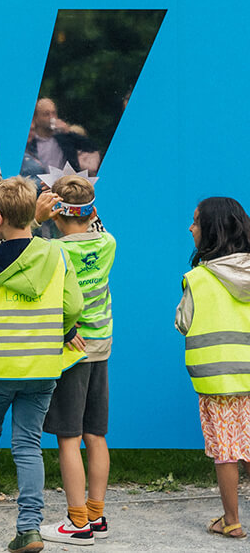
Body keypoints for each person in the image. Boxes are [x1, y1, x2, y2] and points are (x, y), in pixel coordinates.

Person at [0, 177, 83, 553]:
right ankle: (30, 527)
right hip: (44, 367)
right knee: (28, 444)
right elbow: (74, 307)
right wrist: (60, 330)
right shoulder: (58, 254)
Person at [32, 173, 115, 544]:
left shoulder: (54, 251)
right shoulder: (109, 242)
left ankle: (77, 522)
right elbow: (94, 222)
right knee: (96, 434)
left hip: (71, 353)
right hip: (102, 348)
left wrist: (37, 220)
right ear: (92, 211)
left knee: (69, 437)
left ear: (57, 212)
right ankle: (96, 515)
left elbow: (25, 254)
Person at [176, 196, 250, 539]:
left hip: (218, 380)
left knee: (226, 452)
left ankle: (231, 520)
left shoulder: (198, 279)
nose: (191, 227)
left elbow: (183, 322)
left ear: (212, 231)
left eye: (195, 221)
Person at [23, 98, 100, 177]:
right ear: (36, 118)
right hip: (41, 185)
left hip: (65, 185)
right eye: (46, 114)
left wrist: (68, 132)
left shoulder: (64, 138)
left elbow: (91, 147)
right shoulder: (30, 141)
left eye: (54, 113)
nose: (51, 117)